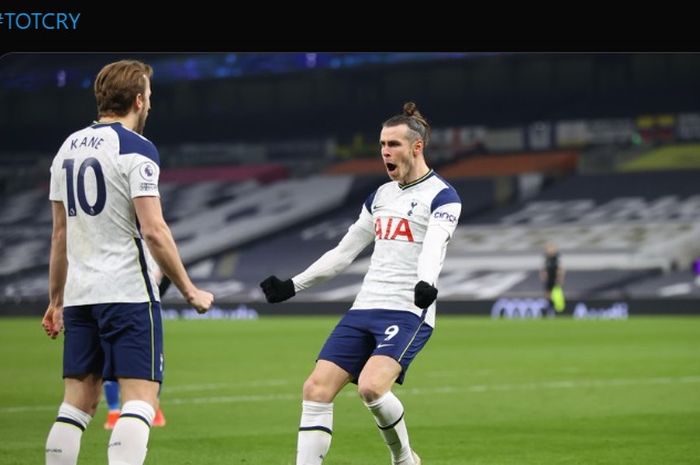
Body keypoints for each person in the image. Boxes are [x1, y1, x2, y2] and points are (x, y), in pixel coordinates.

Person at [260, 102, 461, 465]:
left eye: (394, 145)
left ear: (417, 147)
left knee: (371, 387)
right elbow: (344, 252)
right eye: (382, 144)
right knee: (315, 388)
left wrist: (426, 283)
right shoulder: (381, 196)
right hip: (365, 306)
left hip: (407, 308)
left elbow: (434, 245)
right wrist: (293, 286)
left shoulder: (443, 196)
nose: (385, 151)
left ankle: (403, 459)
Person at [42, 59, 214, 465]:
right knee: (141, 400)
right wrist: (190, 291)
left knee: (76, 405)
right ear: (139, 100)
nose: (150, 105)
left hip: (82, 297)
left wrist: (55, 301)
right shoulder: (137, 148)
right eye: (149, 97)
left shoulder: (66, 148)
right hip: (128, 294)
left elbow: (60, 234)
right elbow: (154, 230)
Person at [539, 242, 565, 317]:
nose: (550, 250)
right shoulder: (546, 258)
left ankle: (557, 309)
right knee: (548, 293)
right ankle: (549, 308)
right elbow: (543, 268)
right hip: (549, 279)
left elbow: (560, 269)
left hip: (555, 278)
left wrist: (560, 277)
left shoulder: (556, 258)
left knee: (557, 293)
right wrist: (543, 274)